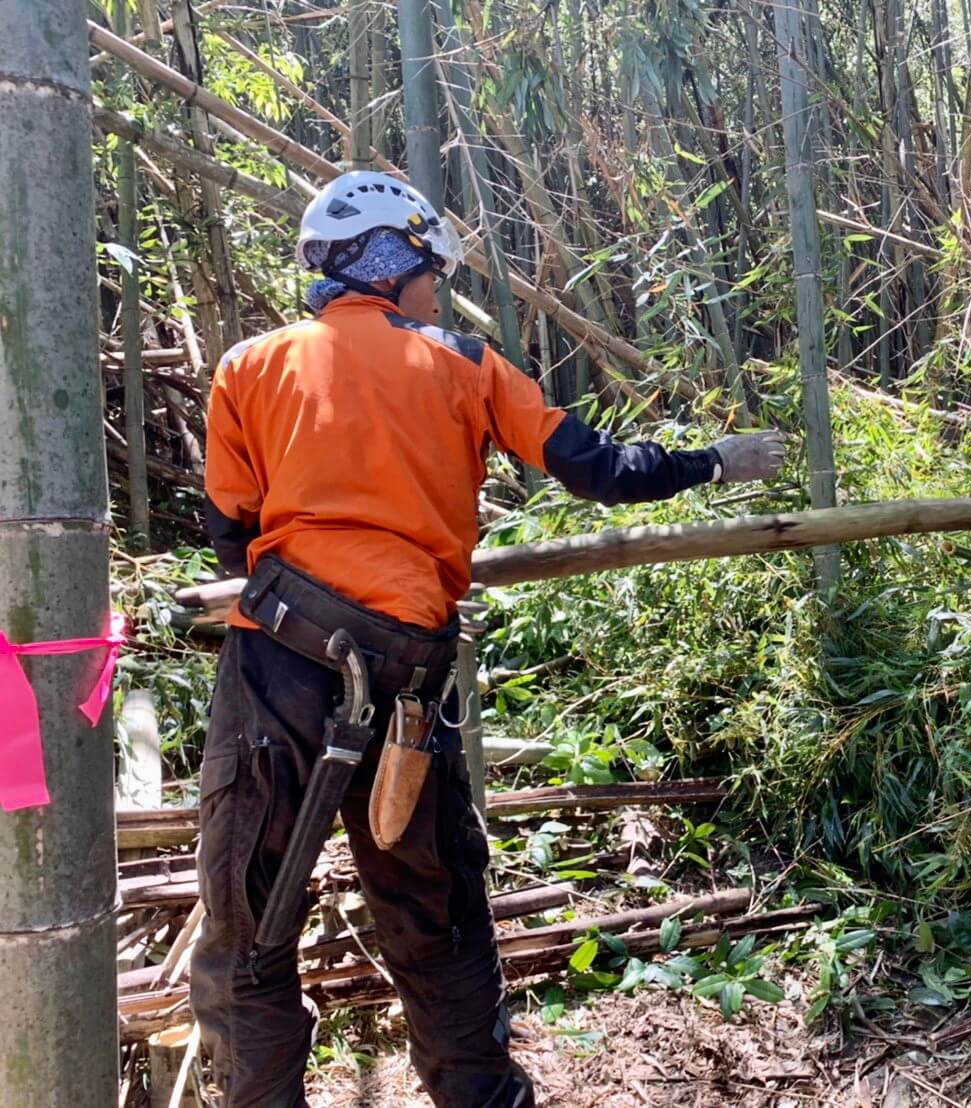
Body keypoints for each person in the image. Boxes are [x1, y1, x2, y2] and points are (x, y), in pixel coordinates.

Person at [192, 170, 786, 1107]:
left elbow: (234, 530)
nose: (436, 288)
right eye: (429, 269)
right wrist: (713, 462)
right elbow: (598, 470)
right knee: (437, 921)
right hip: (408, 682)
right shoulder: (466, 364)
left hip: (281, 661)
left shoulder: (250, 366)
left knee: (247, 933)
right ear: (391, 264)